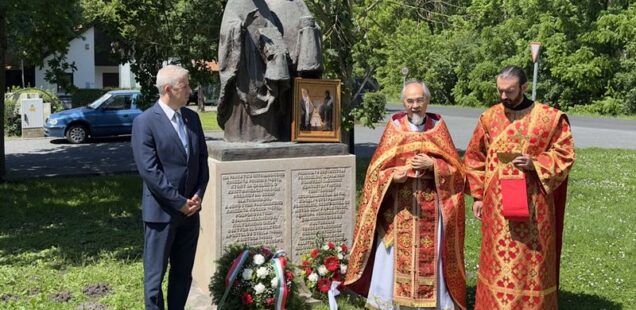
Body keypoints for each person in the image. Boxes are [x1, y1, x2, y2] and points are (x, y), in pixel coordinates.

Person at [345, 80, 467, 310]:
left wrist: (434, 165)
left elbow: (459, 173)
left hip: (433, 211)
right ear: (403, 103)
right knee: (392, 261)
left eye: (419, 100)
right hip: (398, 212)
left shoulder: (438, 129)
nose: (415, 106)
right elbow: (375, 172)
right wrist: (393, 177)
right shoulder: (394, 129)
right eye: (410, 101)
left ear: (427, 101)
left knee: (433, 258)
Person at [464, 65, 575, 309]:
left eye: (510, 91)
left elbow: (565, 154)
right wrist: (478, 197)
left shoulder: (549, 118)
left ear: (524, 87)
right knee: (496, 260)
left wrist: (535, 163)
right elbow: (474, 157)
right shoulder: (489, 117)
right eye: (500, 91)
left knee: (532, 259)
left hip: (535, 207)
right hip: (496, 209)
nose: (504, 96)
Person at [131, 65, 210, 310]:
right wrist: (179, 202)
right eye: (184, 86)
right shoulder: (145, 122)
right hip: (161, 215)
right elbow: (150, 172)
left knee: (182, 275)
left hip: (190, 214)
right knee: (154, 280)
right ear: (168, 89)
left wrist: (197, 195)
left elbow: (201, 163)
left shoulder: (192, 118)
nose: (190, 90)